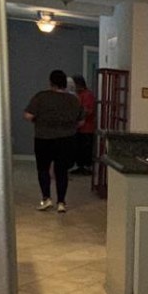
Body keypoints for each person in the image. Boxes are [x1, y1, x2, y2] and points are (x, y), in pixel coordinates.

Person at [24, 69, 81, 212]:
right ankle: (61, 202)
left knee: (43, 169)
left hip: (44, 138)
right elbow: (81, 122)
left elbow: (28, 115)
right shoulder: (74, 100)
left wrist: (40, 120)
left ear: (51, 82)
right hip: (67, 139)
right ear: (65, 84)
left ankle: (46, 199)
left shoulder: (41, 97)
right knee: (61, 171)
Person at [71, 73, 97, 175]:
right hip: (78, 127)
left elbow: (87, 110)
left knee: (85, 148)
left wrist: (78, 116)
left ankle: (85, 167)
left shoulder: (87, 95)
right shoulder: (78, 95)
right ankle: (80, 166)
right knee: (78, 149)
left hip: (87, 128)